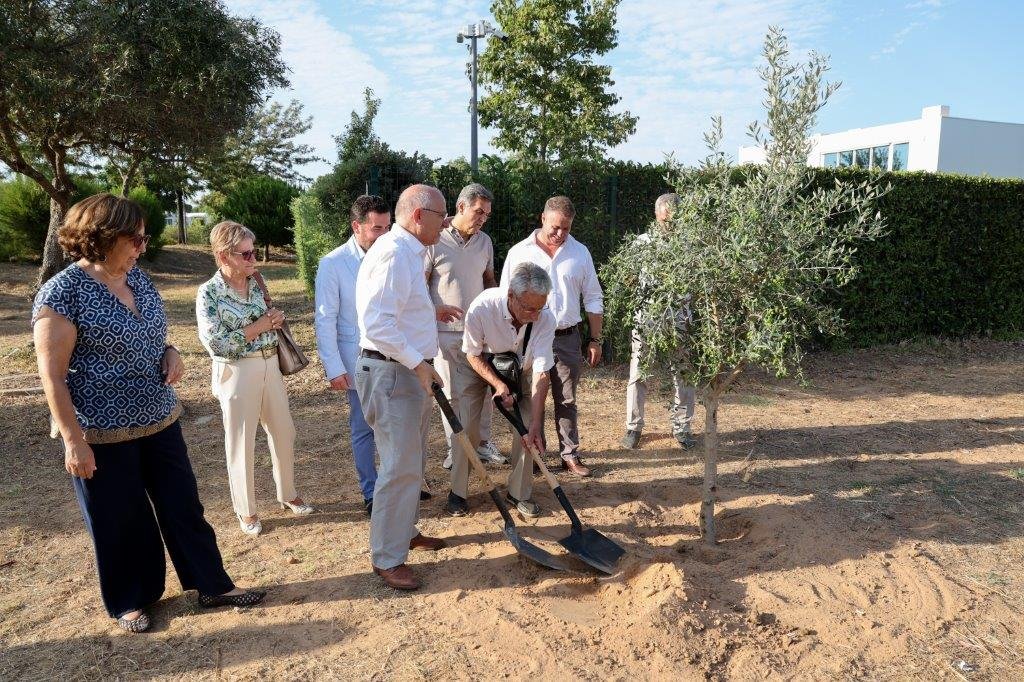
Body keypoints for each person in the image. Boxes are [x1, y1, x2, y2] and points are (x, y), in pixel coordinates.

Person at [32, 193, 264, 634]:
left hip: (159, 417)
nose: (142, 246)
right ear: (102, 237)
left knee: (183, 506)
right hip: (100, 431)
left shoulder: (136, 278)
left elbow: (154, 332)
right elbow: (53, 377)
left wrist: (171, 351)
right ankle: (130, 600)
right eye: (135, 238)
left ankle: (212, 585)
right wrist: (73, 440)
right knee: (120, 519)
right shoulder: (62, 293)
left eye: (144, 238)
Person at [355, 184, 448, 591]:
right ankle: (388, 558)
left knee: (412, 459)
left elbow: (404, 310)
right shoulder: (394, 254)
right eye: (441, 215)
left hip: (407, 371)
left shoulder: (411, 251)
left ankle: (405, 532)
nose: (446, 222)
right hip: (393, 372)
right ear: (418, 216)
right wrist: (418, 365)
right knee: (397, 465)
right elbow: (378, 324)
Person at [196, 221, 313, 537]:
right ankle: (246, 511)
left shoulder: (257, 281)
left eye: (253, 251)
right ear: (224, 255)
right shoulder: (209, 293)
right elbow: (216, 343)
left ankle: (288, 493)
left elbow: (268, 321)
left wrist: (275, 320)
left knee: (284, 432)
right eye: (245, 254)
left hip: (269, 365)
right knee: (241, 443)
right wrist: (260, 326)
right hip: (236, 372)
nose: (253, 259)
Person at [500, 196, 603, 477]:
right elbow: (504, 296)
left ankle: (570, 454)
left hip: (567, 336)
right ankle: (535, 455)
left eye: (566, 229)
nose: (560, 234)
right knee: (532, 396)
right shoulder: (519, 252)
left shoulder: (580, 253)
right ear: (542, 218)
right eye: (555, 227)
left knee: (566, 398)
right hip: (529, 336)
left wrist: (595, 339)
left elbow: (593, 296)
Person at [425, 184, 507, 511]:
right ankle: (454, 448)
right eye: (478, 212)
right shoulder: (435, 240)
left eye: (487, 213)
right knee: (452, 394)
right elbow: (421, 284)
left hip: (478, 333)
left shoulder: (485, 241)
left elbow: (489, 280)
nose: (483, 219)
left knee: (484, 390)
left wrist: (494, 311)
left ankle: (483, 444)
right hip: (444, 333)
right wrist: (433, 313)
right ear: (460, 207)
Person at [460, 263, 557, 518]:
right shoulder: (483, 307)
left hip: (520, 369)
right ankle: (458, 492)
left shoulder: (545, 318)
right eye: (528, 308)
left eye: (540, 307)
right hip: (481, 364)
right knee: (466, 426)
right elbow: (472, 353)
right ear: (510, 296)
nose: (535, 315)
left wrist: (536, 423)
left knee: (527, 429)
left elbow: (541, 372)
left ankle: (519, 493)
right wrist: (498, 384)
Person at [314, 195, 391, 515]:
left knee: (393, 424)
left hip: (393, 354)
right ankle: (372, 492)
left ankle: (394, 484)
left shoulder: (391, 255)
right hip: (356, 360)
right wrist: (333, 367)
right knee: (364, 428)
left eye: (388, 227)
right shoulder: (333, 263)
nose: (384, 235)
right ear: (356, 226)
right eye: (377, 229)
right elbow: (325, 318)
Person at [621, 193, 696, 450]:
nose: (669, 225)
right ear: (656, 215)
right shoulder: (642, 243)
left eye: (674, 221)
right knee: (638, 373)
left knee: (684, 374)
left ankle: (682, 427)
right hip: (647, 320)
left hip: (681, 319)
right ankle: (633, 428)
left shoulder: (689, 245)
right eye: (666, 220)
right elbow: (629, 277)